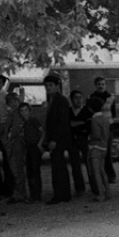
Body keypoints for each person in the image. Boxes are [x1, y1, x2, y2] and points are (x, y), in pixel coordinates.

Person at [42, 74, 74, 204]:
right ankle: (61, 194)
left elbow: (62, 122)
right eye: (46, 86)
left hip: (59, 139)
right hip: (54, 138)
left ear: (57, 86)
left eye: (51, 85)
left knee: (58, 167)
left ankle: (62, 194)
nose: (48, 88)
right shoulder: (51, 100)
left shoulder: (61, 100)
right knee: (56, 166)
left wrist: (54, 139)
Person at [87, 76, 117, 183]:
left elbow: (114, 113)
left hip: (108, 128)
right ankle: (99, 175)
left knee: (108, 153)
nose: (101, 86)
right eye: (99, 84)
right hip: (96, 128)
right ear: (95, 85)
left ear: (105, 85)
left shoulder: (110, 97)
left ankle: (111, 175)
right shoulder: (91, 97)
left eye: (103, 84)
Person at [67, 89, 94, 197]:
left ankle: (94, 187)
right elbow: (68, 125)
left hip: (84, 139)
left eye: (80, 97)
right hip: (72, 140)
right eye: (75, 98)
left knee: (89, 164)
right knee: (75, 165)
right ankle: (79, 188)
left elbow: (89, 125)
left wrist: (77, 124)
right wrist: (80, 123)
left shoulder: (87, 111)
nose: (78, 100)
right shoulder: (68, 111)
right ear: (72, 99)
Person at [4, 98, 29, 204]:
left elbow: (16, 130)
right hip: (12, 145)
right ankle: (19, 192)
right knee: (14, 170)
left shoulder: (19, 115)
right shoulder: (12, 114)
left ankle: (20, 193)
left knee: (17, 169)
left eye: (14, 101)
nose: (12, 103)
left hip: (17, 144)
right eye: (10, 101)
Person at [87, 97, 112, 202]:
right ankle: (108, 191)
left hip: (95, 147)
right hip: (104, 146)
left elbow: (96, 135)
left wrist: (89, 137)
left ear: (90, 108)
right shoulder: (105, 118)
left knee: (96, 171)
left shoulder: (94, 120)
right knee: (102, 170)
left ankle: (100, 194)